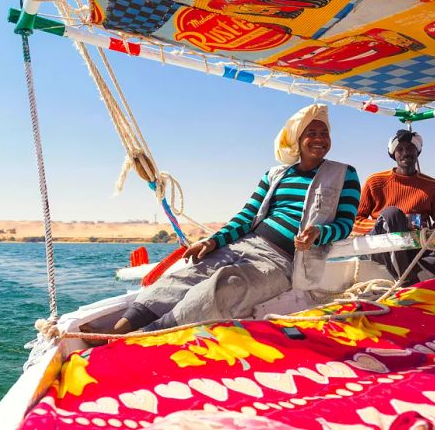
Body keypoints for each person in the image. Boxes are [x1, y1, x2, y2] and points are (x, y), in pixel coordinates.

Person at [109, 104, 361, 334]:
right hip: (243, 243)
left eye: (324, 133)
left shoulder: (344, 174)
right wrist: (213, 241)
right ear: (297, 138)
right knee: (182, 279)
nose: (319, 139)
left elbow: (344, 224)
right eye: (312, 133)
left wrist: (319, 233)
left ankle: (146, 335)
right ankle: (116, 332)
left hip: (283, 260)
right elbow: (247, 215)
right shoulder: (274, 175)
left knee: (224, 288)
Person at [353, 129, 435, 285]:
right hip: (384, 246)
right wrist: (390, 223)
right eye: (400, 149)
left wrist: (431, 234)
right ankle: (407, 279)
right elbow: (356, 221)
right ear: (393, 154)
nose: (405, 153)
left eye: (410, 148)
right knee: (392, 214)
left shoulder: (434, 186)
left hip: (419, 245)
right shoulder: (375, 181)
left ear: (417, 152)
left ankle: (420, 270)